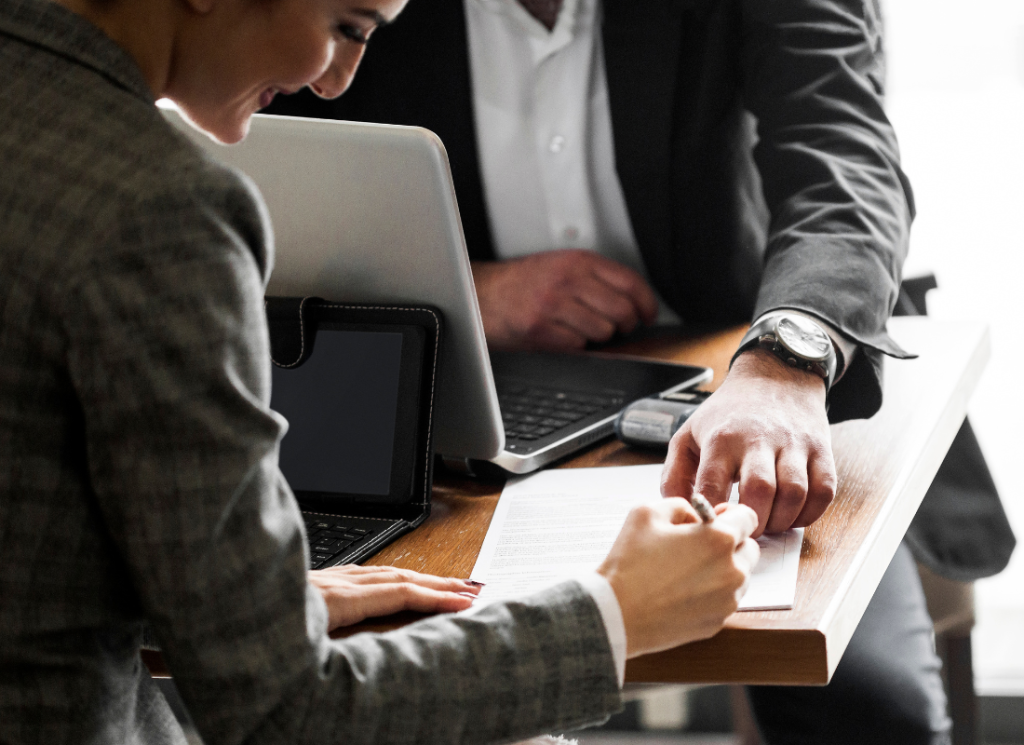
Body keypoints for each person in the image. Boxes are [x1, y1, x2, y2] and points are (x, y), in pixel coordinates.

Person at [0, 0, 765, 742]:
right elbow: (290, 711)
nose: (336, 82)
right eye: (347, 27)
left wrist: (252, 604)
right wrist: (613, 613)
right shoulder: (164, 213)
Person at [263, 1, 1018, 743]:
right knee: (362, 667)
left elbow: (847, 162)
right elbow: (285, 179)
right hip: (457, 413)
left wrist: (784, 358)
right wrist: (471, 289)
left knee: (872, 711)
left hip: (744, 387)